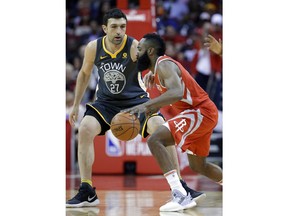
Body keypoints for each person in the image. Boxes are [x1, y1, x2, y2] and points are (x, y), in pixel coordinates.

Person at [66, 8, 204, 208]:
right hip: (105, 103)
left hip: (136, 102)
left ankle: (180, 187)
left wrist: (153, 73)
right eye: (114, 27)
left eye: (122, 27)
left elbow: (158, 63)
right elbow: (84, 74)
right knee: (86, 128)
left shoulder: (134, 47)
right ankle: (87, 190)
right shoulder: (93, 48)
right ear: (105, 28)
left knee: (162, 129)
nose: (119, 31)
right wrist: (76, 105)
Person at [123, 33, 223, 212]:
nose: (137, 53)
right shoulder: (157, 70)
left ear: (151, 51)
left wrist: (146, 105)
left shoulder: (164, 64)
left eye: (140, 49)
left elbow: (176, 92)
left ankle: (180, 194)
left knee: (155, 140)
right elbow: (174, 95)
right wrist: (153, 106)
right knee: (199, 166)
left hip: (200, 112)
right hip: (200, 114)